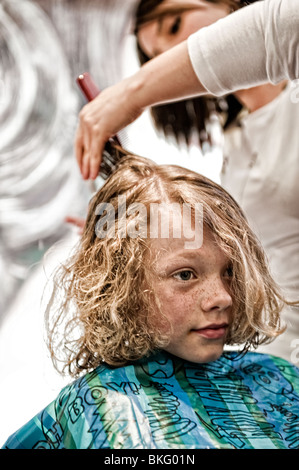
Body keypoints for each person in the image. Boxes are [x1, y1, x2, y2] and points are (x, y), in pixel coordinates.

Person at [2, 154, 299, 450]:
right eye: (185, 275)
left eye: (230, 271)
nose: (222, 297)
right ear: (120, 284)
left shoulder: (278, 376)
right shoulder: (103, 409)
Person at [74, 0, 299, 364]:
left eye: (175, 26)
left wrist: (132, 92)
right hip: (282, 370)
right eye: (156, 55)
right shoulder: (236, 139)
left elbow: (286, 26)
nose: (170, 57)